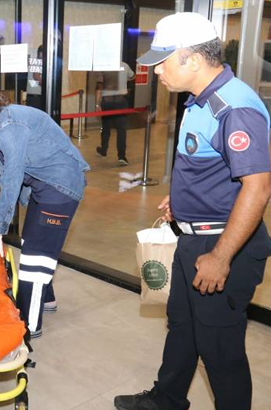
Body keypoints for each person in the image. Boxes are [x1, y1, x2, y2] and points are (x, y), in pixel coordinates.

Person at [114, 13, 271, 410]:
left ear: (193, 59)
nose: (156, 71)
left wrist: (221, 257)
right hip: (193, 237)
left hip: (222, 245)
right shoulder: (198, 99)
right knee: (183, 326)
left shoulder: (233, 108)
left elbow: (258, 187)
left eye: (162, 61)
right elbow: (209, 168)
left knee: (220, 349)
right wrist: (182, 201)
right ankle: (167, 399)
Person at [0, 68, 90, 338]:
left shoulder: (7, 127)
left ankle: (28, 326)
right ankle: (46, 299)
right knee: (32, 243)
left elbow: (12, 178)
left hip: (60, 186)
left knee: (34, 259)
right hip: (42, 184)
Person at [95, 61, 135, 165]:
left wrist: (97, 104)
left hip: (107, 101)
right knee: (121, 130)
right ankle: (122, 156)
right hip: (121, 100)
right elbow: (132, 76)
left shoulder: (103, 66)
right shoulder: (125, 65)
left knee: (106, 127)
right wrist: (124, 80)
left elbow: (99, 86)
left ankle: (103, 150)